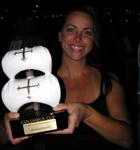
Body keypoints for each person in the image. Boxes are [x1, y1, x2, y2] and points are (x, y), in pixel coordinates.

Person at [1, 5, 134, 150]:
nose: (78, 38)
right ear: (60, 35)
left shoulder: (109, 84)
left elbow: (127, 139)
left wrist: (87, 113)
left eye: (87, 32)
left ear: (93, 39)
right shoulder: (37, 86)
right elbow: (3, 137)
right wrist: (7, 124)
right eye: (71, 29)